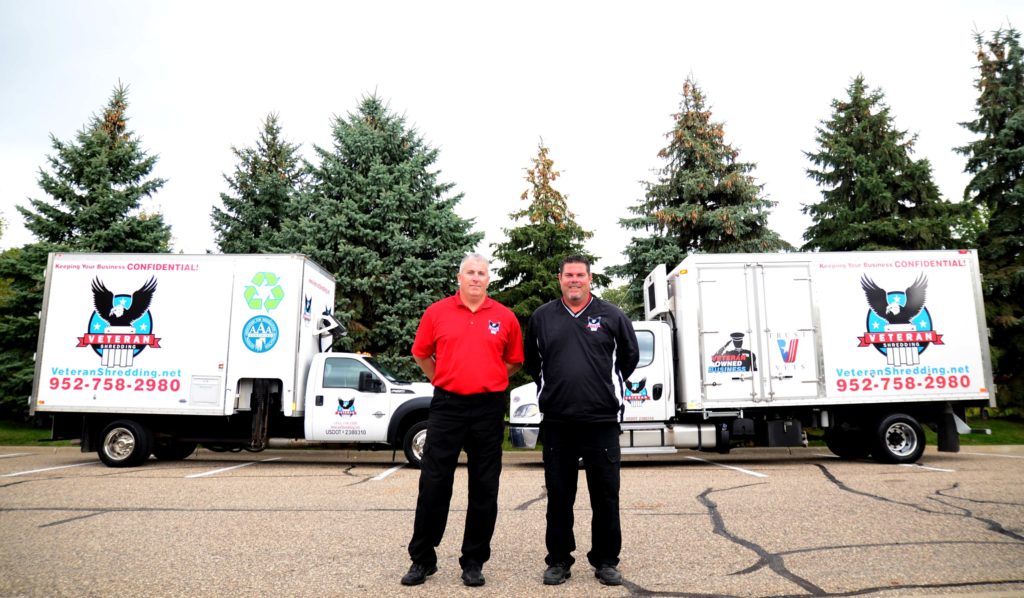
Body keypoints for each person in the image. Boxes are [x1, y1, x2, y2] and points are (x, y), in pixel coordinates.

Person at [401, 253, 524, 588]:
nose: (475, 277)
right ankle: (422, 559)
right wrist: (442, 378)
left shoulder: (504, 317)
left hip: (487, 408)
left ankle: (474, 561)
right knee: (434, 484)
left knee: (485, 487)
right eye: (469, 272)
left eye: (481, 273)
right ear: (459, 277)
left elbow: (513, 361)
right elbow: (421, 353)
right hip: (447, 406)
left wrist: (491, 377)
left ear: (488, 279)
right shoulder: (437, 312)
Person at [524, 255, 640, 587]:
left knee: (605, 495)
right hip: (558, 421)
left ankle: (606, 561)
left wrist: (602, 387)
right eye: (568, 275)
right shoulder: (542, 317)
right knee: (559, 495)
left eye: (580, 275)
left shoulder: (612, 316)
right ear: (559, 278)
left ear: (590, 279)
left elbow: (628, 359)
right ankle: (559, 560)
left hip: (601, 419)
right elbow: (534, 363)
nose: (574, 280)